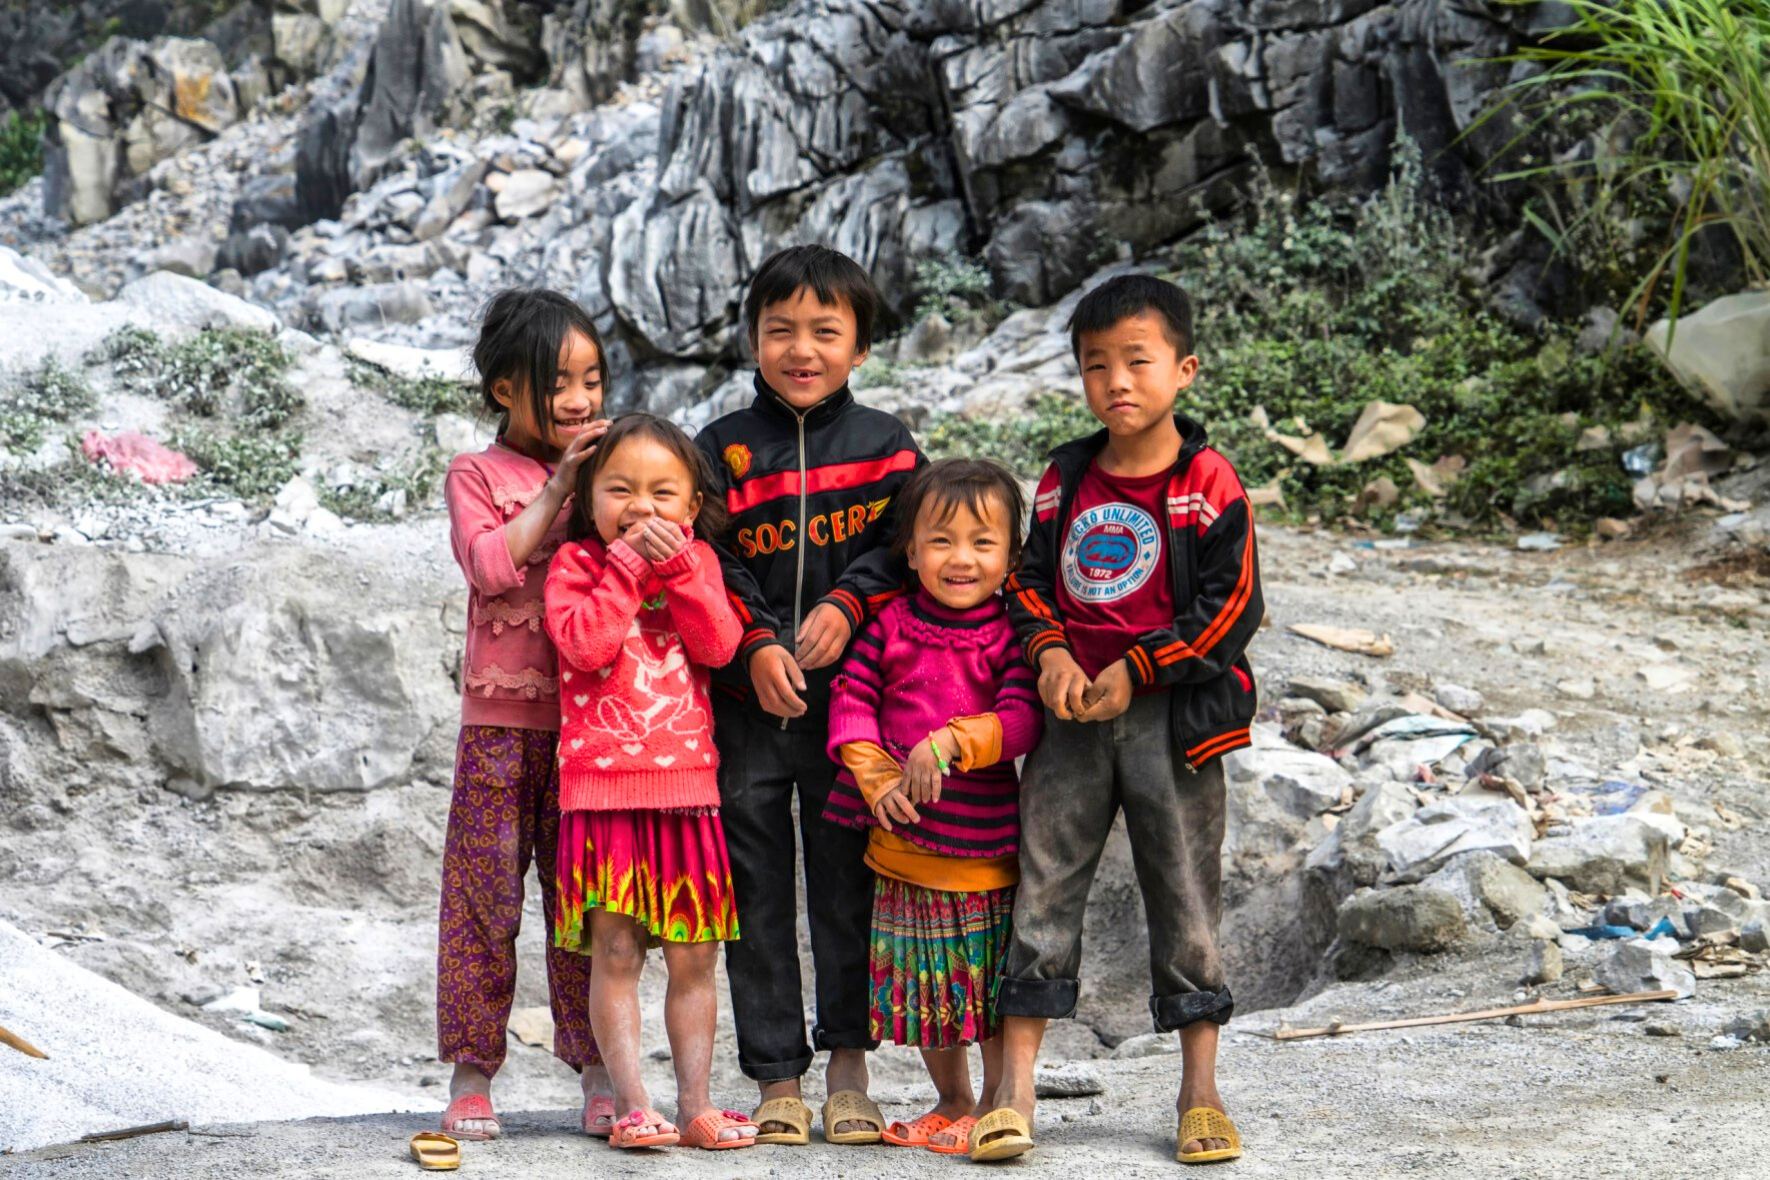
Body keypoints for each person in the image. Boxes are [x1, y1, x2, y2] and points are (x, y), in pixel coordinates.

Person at [986, 273, 1263, 1165]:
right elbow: (1027, 580)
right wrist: (1053, 656)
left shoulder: (1207, 482)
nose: (1118, 382)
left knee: (1183, 896)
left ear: (1183, 369)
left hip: (1172, 725)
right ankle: (1014, 1092)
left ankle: (1201, 1091)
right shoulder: (1066, 477)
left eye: (1138, 362)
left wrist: (1139, 668)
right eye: (1096, 365)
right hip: (1069, 717)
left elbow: (1233, 608)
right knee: (1042, 887)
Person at [693, 244, 926, 1146]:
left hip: (853, 707)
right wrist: (751, 643)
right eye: (780, 329)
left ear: (860, 347)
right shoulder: (720, 448)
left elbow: (909, 545)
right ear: (753, 338)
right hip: (747, 706)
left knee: (844, 889)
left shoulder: (887, 446)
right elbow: (709, 560)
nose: (802, 348)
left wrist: (848, 599)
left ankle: (850, 1069)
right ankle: (776, 1078)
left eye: (825, 332)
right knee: (753, 893)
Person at [544, 412, 758, 1152]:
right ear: (589, 498)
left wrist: (680, 573)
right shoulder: (574, 569)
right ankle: (633, 1103)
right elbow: (586, 644)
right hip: (603, 799)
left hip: (688, 792)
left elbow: (720, 645)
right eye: (621, 490)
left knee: (697, 955)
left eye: (663, 492)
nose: (642, 508)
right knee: (617, 953)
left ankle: (696, 1103)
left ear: (693, 506)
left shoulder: (698, 564)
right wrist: (630, 568)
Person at [820, 459, 1042, 1156]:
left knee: (987, 989)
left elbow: (1022, 718)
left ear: (1011, 558)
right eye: (941, 541)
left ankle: (998, 1101)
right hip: (904, 852)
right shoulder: (887, 626)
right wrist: (875, 774)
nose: (961, 558)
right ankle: (953, 1099)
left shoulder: (1008, 635)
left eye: (983, 542)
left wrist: (952, 741)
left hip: (983, 854)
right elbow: (850, 699)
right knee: (930, 992)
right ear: (911, 552)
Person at [438, 288, 611, 1140]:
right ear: (505, 389)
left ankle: (597, 1068)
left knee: (583, 904)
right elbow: (490, 566)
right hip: (499, 727)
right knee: (484, 900)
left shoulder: (603, 462)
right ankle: (474, 1075)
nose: (580, 400)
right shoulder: (476, 474)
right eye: (558, 382)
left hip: (593, 727)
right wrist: (560, 488)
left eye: (591, 378)